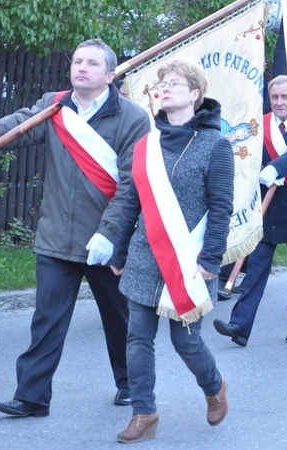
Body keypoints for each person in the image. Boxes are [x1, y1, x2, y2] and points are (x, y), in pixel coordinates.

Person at [0, 39, 151, 417]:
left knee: (119, 319)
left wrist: (111, 233)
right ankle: (32, 397)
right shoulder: (55, 104)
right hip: (55, 238)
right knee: (46, 320)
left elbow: (132, 183)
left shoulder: (133, 118)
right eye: (78, 61)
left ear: (111, 75)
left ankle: (130, 384)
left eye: (92, 63)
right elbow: (20, 123)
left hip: (106, 241)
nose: (81, 67)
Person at [109, 58, 234, 443]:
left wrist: (211, 258)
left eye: (175, 84)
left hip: (189, 259)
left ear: (195, 95)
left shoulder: (216, 145)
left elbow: (221, 206)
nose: (165, 89)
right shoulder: (147, 145)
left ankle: (214, 388)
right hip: (146, 254)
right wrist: (119, 250)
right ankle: (144, 412)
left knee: (186, 340)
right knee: (137, 337)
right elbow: (133, 200)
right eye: (162, 84)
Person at [213, 75, 287, 346]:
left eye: (285, 97)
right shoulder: (258, 123)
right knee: (256, 268)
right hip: (266, 209)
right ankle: (240, 325)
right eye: (275, 97)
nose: (279, 102)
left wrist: (277, 167)